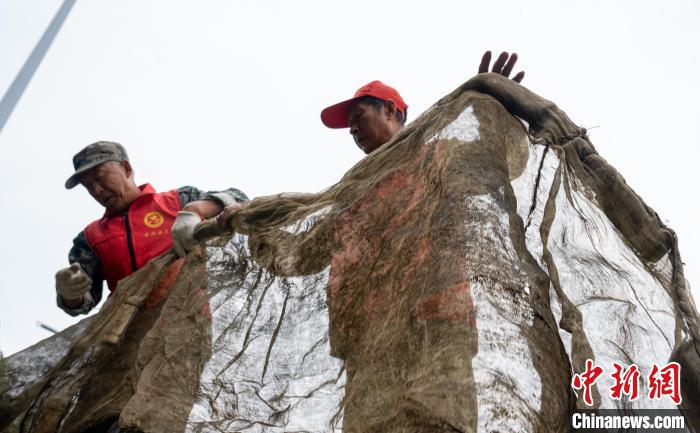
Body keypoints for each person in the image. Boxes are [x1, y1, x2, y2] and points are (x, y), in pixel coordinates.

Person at [55, 141, 248, 316]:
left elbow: (239, 199)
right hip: (124, 336)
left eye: (101, 177)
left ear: (126, 168)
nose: (97, 190)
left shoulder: (177, 201)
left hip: (188, 324)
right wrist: (69, 293)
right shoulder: (89, 238)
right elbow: (84, 301)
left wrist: (195, 209)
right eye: (89, 186)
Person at [320, 51, 524, 155]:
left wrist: (490, 113)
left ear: (389, 110)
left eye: (358, 116)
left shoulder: (436, 152)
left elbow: (489, 165)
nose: (352, 129)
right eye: (350, 123)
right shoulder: (356, 187)